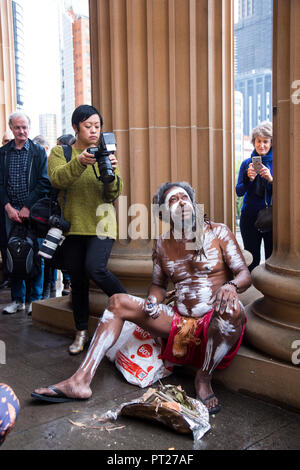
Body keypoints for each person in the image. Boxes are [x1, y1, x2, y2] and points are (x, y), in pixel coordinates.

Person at [32, 181, 251, 414]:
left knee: (232, 309)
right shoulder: (163, 243)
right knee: (117, 301)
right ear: (165, 213)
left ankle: (203, 378)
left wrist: (230, 286)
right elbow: (158, 285)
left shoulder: (217, 231)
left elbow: (244, 274)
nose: (182, 202)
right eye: (173, 201)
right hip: (179, 321)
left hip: (216, 320)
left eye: (184, 197)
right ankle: (79, 381)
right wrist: (153, 301)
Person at [45, 104, 127, 355]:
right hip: (72, 227)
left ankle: (136, 308)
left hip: (102, 223)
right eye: (88, 126)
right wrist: (80, 162)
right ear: (76, 128)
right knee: (78, 281)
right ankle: (81, 331)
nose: (94, 131)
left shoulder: (106, 152)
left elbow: (114, 193)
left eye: (97, 126)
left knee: (96, 268)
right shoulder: (62, 152)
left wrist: (111, 172)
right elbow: (58, 179)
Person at [0, 112, 51, 315]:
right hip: (10, 212)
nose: (21, 131)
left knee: (36, 253)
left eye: (24, 127)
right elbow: (0, 185)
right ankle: (17, 299)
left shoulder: (38, 151)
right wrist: (8, 207)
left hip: (33, 211)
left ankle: (34, 299)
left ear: (29, 128)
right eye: (17, 127)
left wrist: (27, 207)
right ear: (11, 128)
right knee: (12, 253)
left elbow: (44, 181)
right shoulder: (3, 153)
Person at [236, 121, 273, 272]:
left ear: (271, 143)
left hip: (271, 217)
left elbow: (285, 194)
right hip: (249, 217)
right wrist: (247, 179)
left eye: (265, 141)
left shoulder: (279, 163)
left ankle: (270, 294)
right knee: (252, 260)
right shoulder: (246, 163)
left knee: (272, 259)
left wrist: (270, 179)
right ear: (254, 142)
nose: (262, 145)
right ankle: (251, 294)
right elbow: (239, 191)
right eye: (259, 141)